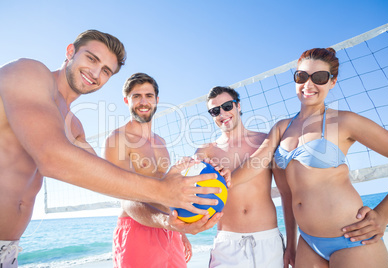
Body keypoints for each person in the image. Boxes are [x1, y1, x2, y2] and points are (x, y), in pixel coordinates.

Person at [0, 30, 224, 267]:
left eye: (106, 70)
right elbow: (52, 157)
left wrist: (190, 175)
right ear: (70, 52)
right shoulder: (29, 72)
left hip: (10, 247)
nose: (96, 73)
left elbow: (109, 179)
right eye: (91, 59)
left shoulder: (74, 127)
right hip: (136, 229)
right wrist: (164, 191)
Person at [232, 48, 388, 267]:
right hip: (308, 243)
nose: (308, 85)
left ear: (332, 82)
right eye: (301, 77)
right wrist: (220, 183)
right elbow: (261, 168)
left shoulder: (344, 121)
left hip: (351, 239)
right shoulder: (282, 127)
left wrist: (383, 214)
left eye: (319, 77)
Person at [194, 86, 296, 268]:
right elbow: (193, 193)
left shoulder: (265, 142)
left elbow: (286, 194)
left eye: (227, 106)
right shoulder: (206, 151)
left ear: (238, 106)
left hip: (268, 240)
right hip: (227, 244)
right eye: (215, 111)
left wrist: (292, 245)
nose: (222, 113)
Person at [104, 73, 196, 267]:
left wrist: (179, 231)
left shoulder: (161, 142)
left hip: (169, 228)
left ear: (157, 100)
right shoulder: (118, 139)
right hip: (138, 228)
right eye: (136, 96)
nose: (143, 101)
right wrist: (165, 222)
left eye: (148, 95)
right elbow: (125, 196)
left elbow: (166, 191)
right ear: (126, 100)